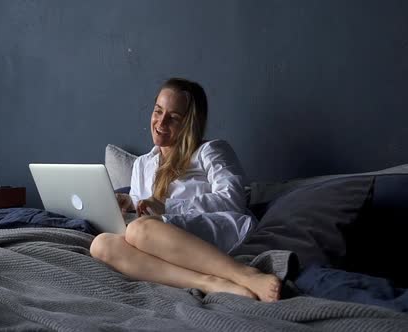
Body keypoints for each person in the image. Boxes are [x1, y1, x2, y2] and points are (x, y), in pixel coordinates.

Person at [90, 78, 281, 302]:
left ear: (190, 123)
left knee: (139, 230)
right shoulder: (142, 163)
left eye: (174, 118)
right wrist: (129, 202)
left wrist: (167, 206)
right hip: (158, 238)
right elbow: (143, 203)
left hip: (211, 230)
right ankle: (207, 282)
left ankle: (245, 274)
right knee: (101, 244)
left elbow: (233, 200)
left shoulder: (210, 151)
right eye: (158, 111)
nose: (161, 122)